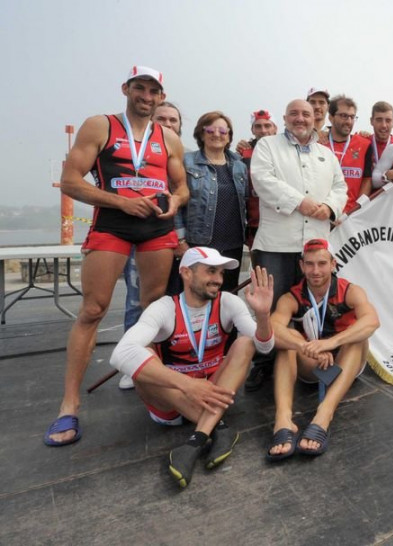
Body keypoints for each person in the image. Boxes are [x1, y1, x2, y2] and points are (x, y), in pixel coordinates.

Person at [45, 65, 187, 446]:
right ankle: (69, 405)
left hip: (157, 228)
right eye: (139, 88)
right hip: (112, 224)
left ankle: (153, 389)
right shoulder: (99, 125)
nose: (146, 95)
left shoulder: (168, 137)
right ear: (126, 88)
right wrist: (120, 204)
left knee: (153, 309)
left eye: (153, 90)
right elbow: (72, 181)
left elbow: (181, 187)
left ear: (161, 95)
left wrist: (175, 200)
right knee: (94, 310)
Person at [109, 247, 274, 488]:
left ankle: (196, 441)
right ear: (186, 273)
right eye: (210, 271)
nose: (218, 279)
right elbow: (120, 355)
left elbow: (265, 347)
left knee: (245, 344)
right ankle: (220, 428)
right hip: (173, 401)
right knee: (142, 355)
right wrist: (188, 385)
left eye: (220, 272)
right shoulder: (164, 307)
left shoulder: (227, 301)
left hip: (213, 393)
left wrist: (263, 315)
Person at [245, 99, 347, 391]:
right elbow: (262, 180)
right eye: (294, 114)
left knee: (312, 306)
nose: (300, 119)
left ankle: (313, 360)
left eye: (306, 114)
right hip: (276, 243)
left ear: (316, 117)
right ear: (285, 118)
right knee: (269, 308)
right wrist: (299, 202)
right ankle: (264, 365)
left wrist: (329, 207)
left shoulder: (326, 154)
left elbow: (341, 187)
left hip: (315, 246)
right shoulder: (267, 146)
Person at [267, 239, 380, 459]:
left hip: (345, 361)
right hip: (312, 362)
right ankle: (282, 419)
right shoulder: (292, 296)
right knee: (286, 339)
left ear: (333, 264)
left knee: (357, 337)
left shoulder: (350, 290)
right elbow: (272, 328)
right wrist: (304, 345)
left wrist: (331, 343)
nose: (315, 270)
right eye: (309, 264)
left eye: (321, 263)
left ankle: (323, 415)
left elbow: (372, 321)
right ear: (301, 266)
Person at [120, 101, 184, 390]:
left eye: (173, 120)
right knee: (138, 300)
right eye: (163, 119)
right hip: (142, 235)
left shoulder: (185, 158)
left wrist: (183, 237)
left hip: (178, 239)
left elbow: (184, 199)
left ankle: (170, 357)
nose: (168, 124)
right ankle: (132, 361)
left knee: (170, 302)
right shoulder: (138, 155)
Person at [174, 111, 248, 294]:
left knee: (227, 296)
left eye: (223, 131)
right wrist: (180, 239)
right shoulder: (186, 162)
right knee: (195, 295)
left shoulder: (240, 165)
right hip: (198, 244)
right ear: (201, 133)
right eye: (210, 130)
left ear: (229, 135)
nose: (217, 134)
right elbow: (175, 202)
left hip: (232, 245)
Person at [319, 95, 370, 213]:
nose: (348, 121)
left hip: (350, 216)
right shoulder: (318, 143)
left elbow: (367, 179)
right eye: (343, 116)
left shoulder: (364, 144)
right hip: (322, 213)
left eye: (352, 117)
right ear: (331, 117)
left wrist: (357, 210)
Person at [240, 109, 278, 250]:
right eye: (258, 126)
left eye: (267, 126)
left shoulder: (287, 151)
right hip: (255, 225)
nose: (263, 130)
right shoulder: (244, 154)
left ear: (275, 128)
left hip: (281, 224)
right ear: (252, 130)